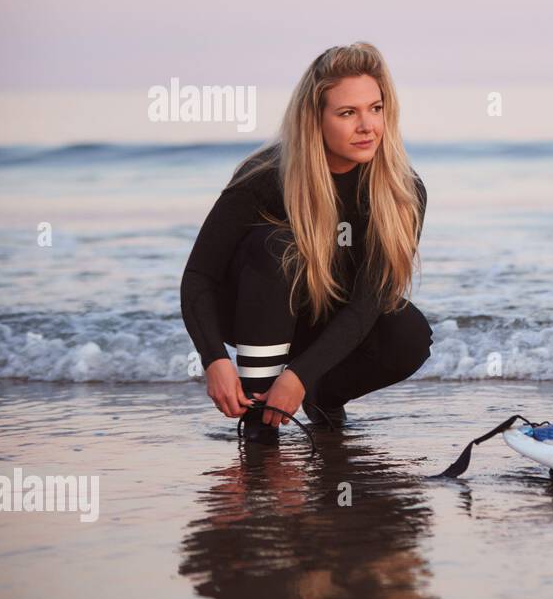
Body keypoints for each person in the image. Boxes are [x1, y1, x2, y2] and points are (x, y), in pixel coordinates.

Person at [180, 42, 432, 444]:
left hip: (329, 315)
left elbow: (367, 302)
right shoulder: (265, 177)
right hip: (254, 310)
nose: (367, 126)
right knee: (278, 245)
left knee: (409, 334)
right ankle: (260, 422)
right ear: (314, 118)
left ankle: (322, 395)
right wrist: (214, 360)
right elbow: (199, 276)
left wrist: (300, 376)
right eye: (347, 113)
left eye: (376, 108)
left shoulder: (402, 192)